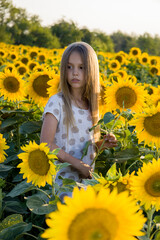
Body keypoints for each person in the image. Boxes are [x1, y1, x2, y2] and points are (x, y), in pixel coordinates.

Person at [40, 42, 117, 199]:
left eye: (81, 67)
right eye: (69, 67)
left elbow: (84, 146)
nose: (75, 72)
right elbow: (46, 144)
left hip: (83, 190)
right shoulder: (57, 102)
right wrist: (76, 164)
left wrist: (100, 144)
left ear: (91, 71)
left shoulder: (91, 107)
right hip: (60, 187)